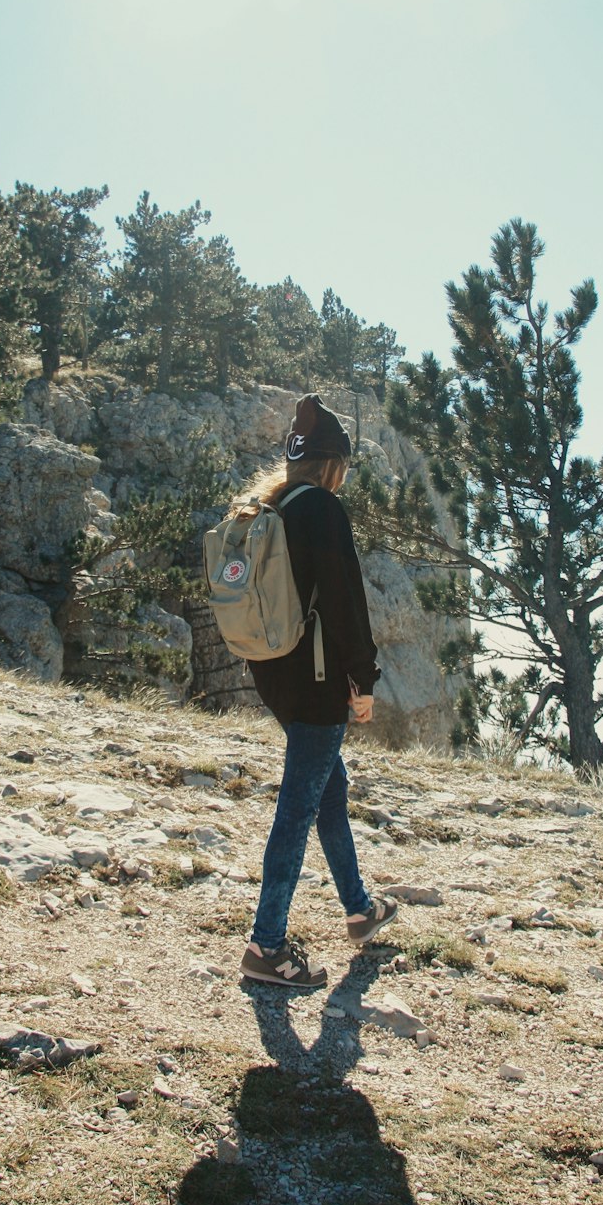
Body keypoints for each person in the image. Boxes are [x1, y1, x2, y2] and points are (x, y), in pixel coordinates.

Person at [236, 393, 398, 989]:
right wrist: (365, 683)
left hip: (275, 675)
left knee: (329, 787)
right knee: (298, 808)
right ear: (333, 464)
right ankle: (267, 947)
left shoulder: (269, 508)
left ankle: (359, 909)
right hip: (319, 683)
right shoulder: (324, 511)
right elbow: (346, 603)